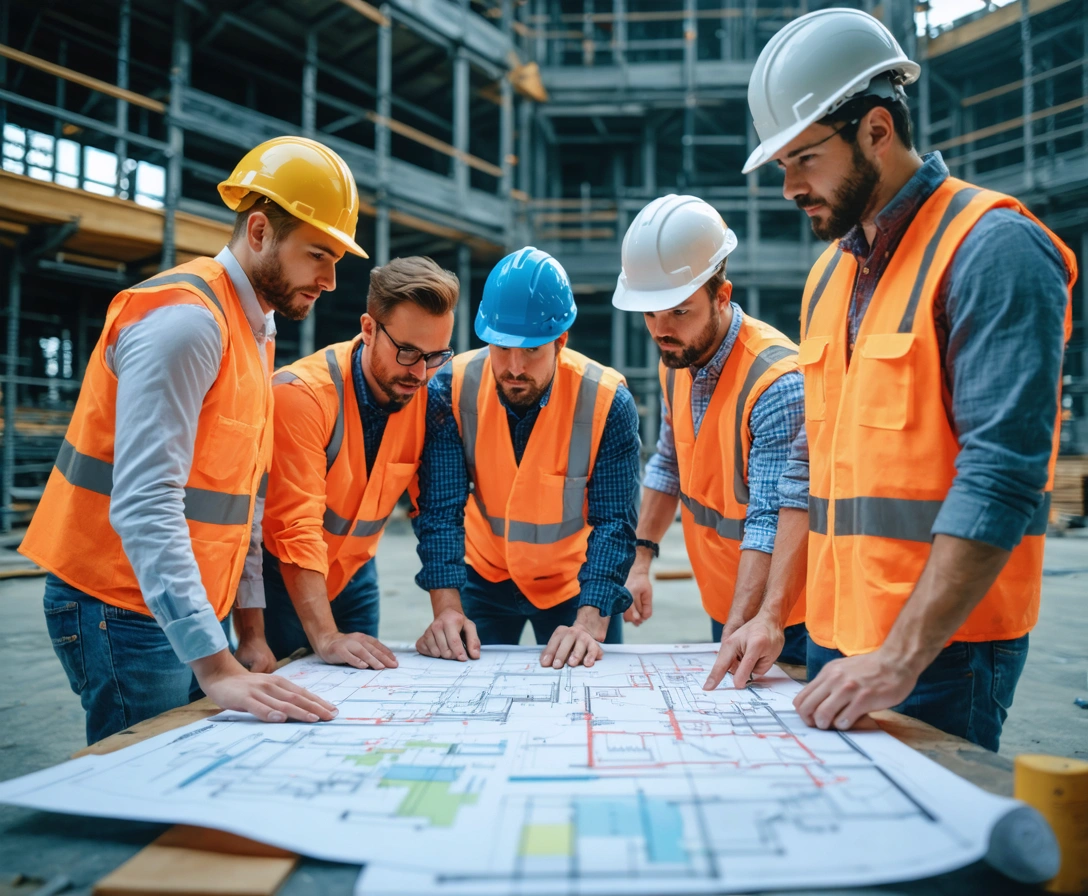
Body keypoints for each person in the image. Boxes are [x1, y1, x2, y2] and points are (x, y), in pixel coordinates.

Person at [721, 8, 1077, 750]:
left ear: (876, 131)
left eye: (803, 159)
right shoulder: (828, 278)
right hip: (833, 633)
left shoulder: (992, 250)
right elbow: (806, 466)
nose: (788, 187)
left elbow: (1002, 480)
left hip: (943, 651)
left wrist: (898, 659)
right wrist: (770, 613)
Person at [21, 136, 365, 743]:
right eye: (318, 254)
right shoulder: (188, 323)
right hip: (119, 606)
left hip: (179, 609)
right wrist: (216, 663)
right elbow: (145, 502)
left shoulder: (255, 329)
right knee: (139, 791)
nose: (331, 280)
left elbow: (241, 502)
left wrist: (249, 635)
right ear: (258, 232)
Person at [412, 247, 641, 668]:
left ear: (561, 341)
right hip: (484, 576)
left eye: (532, 350)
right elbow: (440, 510)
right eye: (501, 347)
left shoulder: (607, 402)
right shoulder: (450, 388)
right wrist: (446, 607)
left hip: (575, 586)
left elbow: (614, 522)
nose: (514, 367)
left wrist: (590, 618)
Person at [612, 195, 808, 677]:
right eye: (650, 314)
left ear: (722, 296)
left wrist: (744, 623)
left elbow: (768, 518)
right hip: (726, 601)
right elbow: (668, 464)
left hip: (788, 617)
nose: (661, 330)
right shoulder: (677, 359)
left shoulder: (776, 383)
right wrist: (641, 561)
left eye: (679, 312)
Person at [259, 257, 459, 670]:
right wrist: (326, 636)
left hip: (355, 575)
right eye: (407, 352)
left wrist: (447, 612)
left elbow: (437, 513)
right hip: (283, 582)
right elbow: (295, 528)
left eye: (436, 355)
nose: (421, 373)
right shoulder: (302, 398)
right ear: (369, 329)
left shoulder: (429, 394)